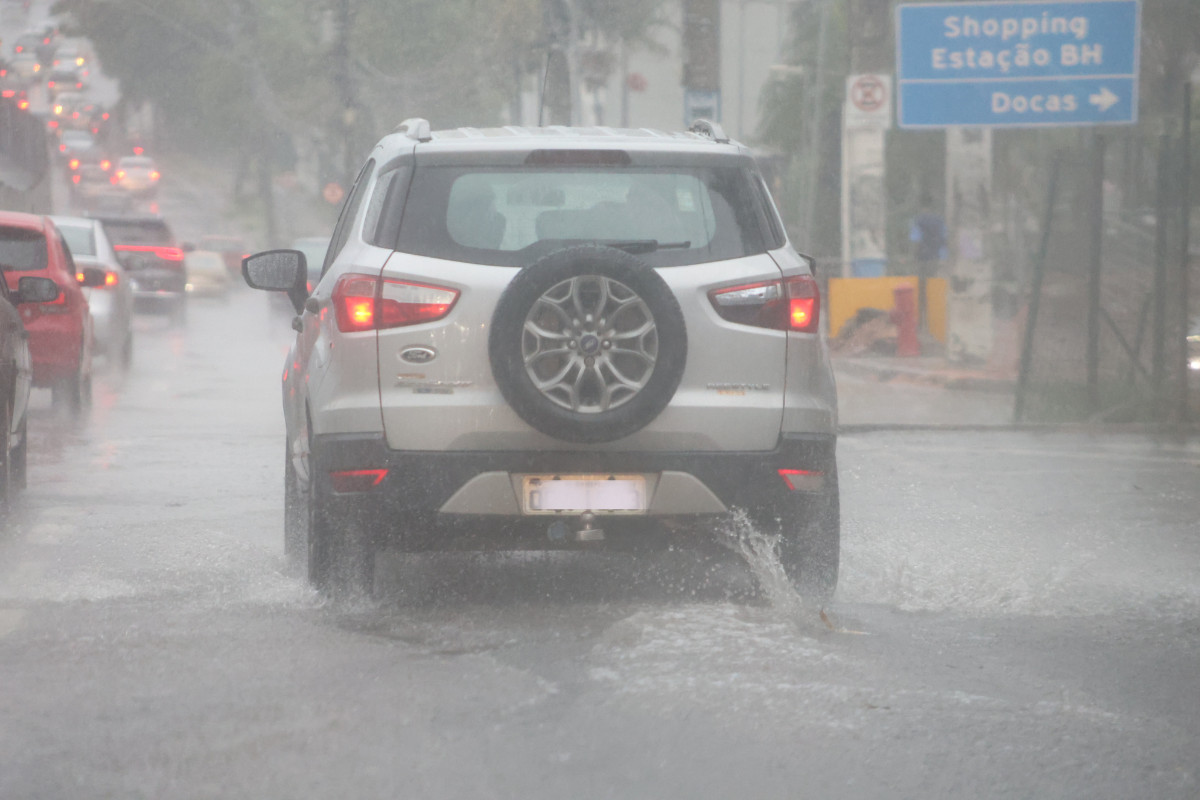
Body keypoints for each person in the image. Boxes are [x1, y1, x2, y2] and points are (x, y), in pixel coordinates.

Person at [909, 192, 946, 334]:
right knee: (934, 290)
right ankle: (935, 323)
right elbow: (944, 239)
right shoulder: (940, 220)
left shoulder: (918, 220)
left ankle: (922, 323)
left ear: (921, 205)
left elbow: (915, 239)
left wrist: (914, 256)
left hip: (922, 259)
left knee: (921, 291)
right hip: (935, 259)